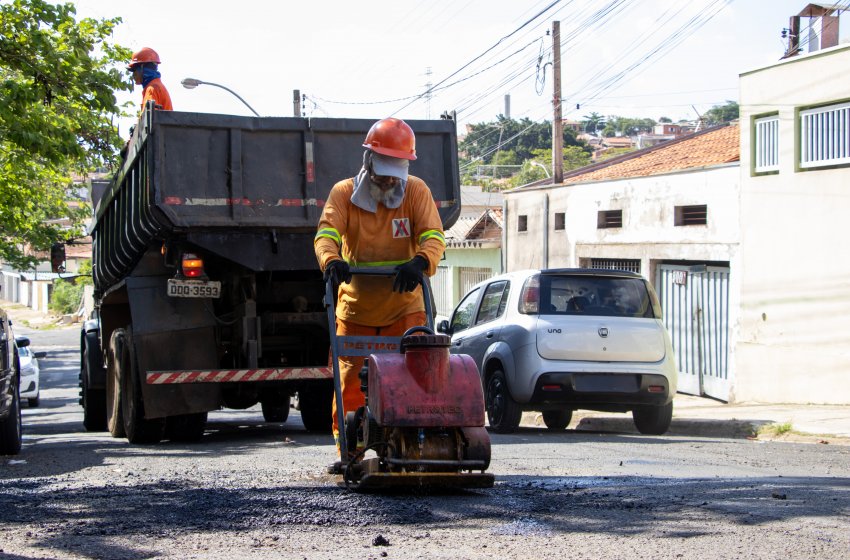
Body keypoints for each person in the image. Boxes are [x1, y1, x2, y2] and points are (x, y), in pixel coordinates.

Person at [314, 117, 445, 472]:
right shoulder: (344, 194)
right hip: (356, 309)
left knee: (411, 384)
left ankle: (410, 447)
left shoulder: (416, 191)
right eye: (384, 174)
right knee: (349, 385)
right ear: (369, 162)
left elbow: (433, 236)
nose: (389, 181)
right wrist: (332, 260)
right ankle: (350, 452)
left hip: (405, 310)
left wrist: (420, 261)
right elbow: (326, 234)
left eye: (394, 175)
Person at [128, 47, 173, 112]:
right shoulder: (156, 86)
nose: (133, 75)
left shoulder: (152, 89)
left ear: (142, 68)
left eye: (134, 70)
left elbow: (151, 116)